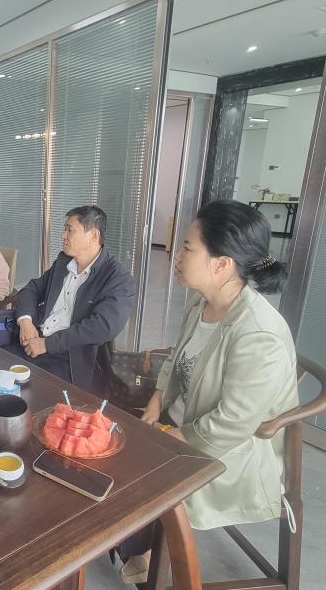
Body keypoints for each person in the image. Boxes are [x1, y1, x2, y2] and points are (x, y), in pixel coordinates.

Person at [118, 200, 298, 584]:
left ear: (222, 264)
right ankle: (136, 545)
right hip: (185, 423)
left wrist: (173, 438)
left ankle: (142, 548)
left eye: (188, 247)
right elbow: (175, 361)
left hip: (233, 451)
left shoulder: (258, 332)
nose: (177, 255)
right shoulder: (202, 304)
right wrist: (156, 401)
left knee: (131, 463)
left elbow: (234, 423)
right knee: (113, 430)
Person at [13, 206, 135, 393]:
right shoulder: (64, 262)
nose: (63, 236)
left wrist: (48, 344)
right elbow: (32, 289)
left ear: (93, 235)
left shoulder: (117, 277)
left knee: (26, 393)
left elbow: (104, 326)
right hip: (33, 339)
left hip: (70, 357)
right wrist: (26, 322)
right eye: (65, 229)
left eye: (70, 230)